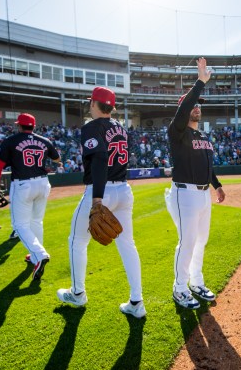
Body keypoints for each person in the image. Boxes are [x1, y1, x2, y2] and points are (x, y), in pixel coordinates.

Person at [57, 87, 145, 318]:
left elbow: (99, 159)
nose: (89, 106)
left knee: (77, 240)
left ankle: (77, 294)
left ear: (95, 104)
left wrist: (97, 198)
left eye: (91, 102)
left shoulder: (91, 127)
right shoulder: (121, 128)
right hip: (124, 190)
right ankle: (137, 301)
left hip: (101, 191)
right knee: (128, 244)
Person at [165, 57, 225, 310]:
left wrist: (217, 184)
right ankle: (179, 288)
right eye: (193, 106)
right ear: (184, 110)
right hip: (184, 195)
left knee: (201, 240)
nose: (197, 108)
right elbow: (187, 104)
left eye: (199, 106)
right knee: (187, 241)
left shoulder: (202, 135)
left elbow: (207, 164)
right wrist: (200, 83)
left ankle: (196, 282)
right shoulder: (177, 131)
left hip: (202, 196)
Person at [0, 113, 61, 281]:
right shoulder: (44, 140)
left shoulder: (11, 141)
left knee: (20, 224)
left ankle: (40, 254)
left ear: (19, 126)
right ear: (33, 126)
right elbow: (57, 158)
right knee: (36, 221)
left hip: (23, 184)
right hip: (43, 183)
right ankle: (35, 256)